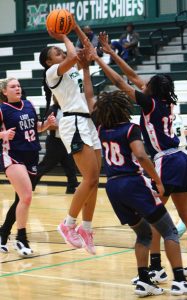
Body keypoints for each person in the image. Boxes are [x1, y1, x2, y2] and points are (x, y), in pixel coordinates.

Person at [83, 33, 187, 283]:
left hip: (166, 161)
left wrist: (98, 58)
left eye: (147, 83)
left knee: (155, 215)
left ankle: (157, 267)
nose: (143, 83)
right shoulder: (167, 100)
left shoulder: (149, 104)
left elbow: (121, 81)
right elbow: (133, 76)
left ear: (151, 90)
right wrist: (112, 51)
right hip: (182, 157)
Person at [38, 19, 102, 255]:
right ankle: (68, 224)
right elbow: (74, 54)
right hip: (72, 122)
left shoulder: (72, 68)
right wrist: (64, 35)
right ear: (49, 61)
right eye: (56, 51)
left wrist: (76, 28)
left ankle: (86, 228)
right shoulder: (52, 73)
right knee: (89, 176)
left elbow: (87, 54)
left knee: (95, 180)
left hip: (86, 119)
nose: (61, 51)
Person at [0, 77, 56, 257]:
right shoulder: (2, 110)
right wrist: (3, 134)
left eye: (18, 85)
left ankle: (3, 234)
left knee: (21, 200)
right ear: (4, 91)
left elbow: (36, 127)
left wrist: (46, 125)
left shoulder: (29, 104)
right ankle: (21, 238)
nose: (17, 88)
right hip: (12, 156)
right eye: (12, 86)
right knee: (26, 197)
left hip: (31, 155)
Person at [32, 96, 79, 194]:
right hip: (54, 142)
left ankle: (72, 188)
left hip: (66, 142)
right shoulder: (52, 109)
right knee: (46, 166)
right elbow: (48, 126)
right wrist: (62, 127)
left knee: (70, 166)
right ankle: (30, 184)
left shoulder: (69, 109)